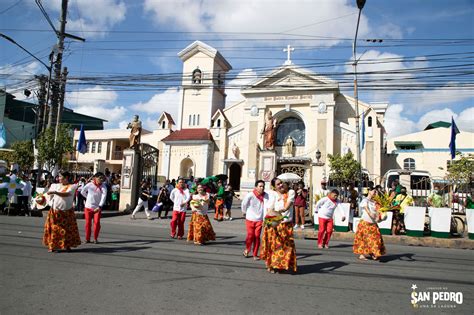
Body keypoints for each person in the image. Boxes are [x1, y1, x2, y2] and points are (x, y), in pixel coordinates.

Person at [260, 178, 297, 274]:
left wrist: (281, 210)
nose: (280, 185)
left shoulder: (291, 192)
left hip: (287, 224)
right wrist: (267, 221)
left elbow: (288, 205)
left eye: (281, 183)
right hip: (275, 224)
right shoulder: (273, 195)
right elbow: (269, 209)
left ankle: (281, 265)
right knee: (274, 246)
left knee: (286, 247)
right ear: (274, 187)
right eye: (278, 184)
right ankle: (271, 265)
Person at [43, 171, 81, 252]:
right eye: (59, 177)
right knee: (54, 229)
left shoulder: (72, 186)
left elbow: (66, 194)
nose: (59, 178)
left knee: (68, 230)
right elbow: (48, 195)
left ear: (66, 178)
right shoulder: (54, 185)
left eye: (61, 177)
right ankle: (52, 246)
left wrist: (55, 192)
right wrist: (42, 199)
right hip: (55, 211)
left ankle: (67, 246)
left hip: (67, 211)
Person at [353, 187, 386, 260]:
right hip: (365, 223)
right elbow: (366, 208)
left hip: (373, 224)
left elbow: (378, 211)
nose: (375, 193)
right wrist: (370, 213)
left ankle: (374, 253)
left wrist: (378, 217)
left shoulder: (375, 202)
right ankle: (362, 255)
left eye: (376, 192)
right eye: (374, 191)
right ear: (369, 191)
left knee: (376, 239)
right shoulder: (365, 200)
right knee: (364, 240)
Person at [241, 180, 267, 260]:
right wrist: (244, 212)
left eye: (263, 186)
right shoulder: (250, 195)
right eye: (260, 186)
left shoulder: (266, 196)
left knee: (257, 237)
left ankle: (255, 254)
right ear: (256, 187)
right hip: (250, 219)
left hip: (259, 220)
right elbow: (244, 204)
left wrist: (265, 219)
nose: (262, 188)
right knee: (250, 236)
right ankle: (247, 249)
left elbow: (267, 207)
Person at [81, 172, 107, 244]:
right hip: (88, 207)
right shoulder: (89, 185)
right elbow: (82, 191)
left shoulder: (103, 187)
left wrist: (100, 206)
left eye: (102, 178)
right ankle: (87, 239)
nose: (101, 180)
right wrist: (88, 198)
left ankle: (95, 238)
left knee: (97, 223)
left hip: (97, 208)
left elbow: (103, 197)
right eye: (100, 178)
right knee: (88, 223)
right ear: (95, 178)